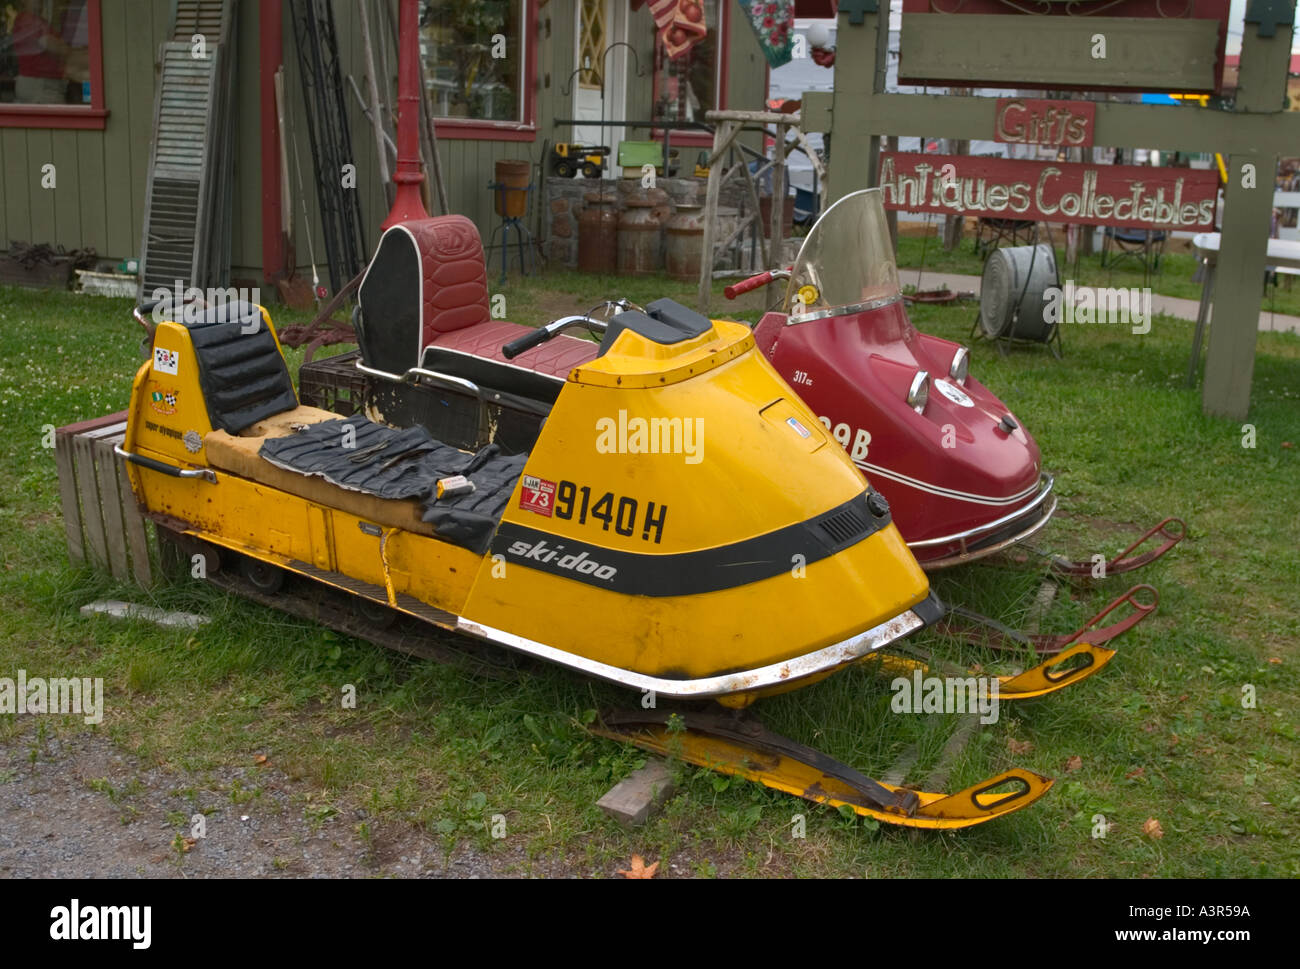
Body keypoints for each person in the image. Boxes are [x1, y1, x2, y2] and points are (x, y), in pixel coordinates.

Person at [12, 0, 70, 104]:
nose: (40, 2)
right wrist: (69, 50)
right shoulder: (28, 19)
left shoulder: (37, 20)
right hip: (40, 85)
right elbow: (49, 44)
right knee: (57, 119)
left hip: (41, 84)